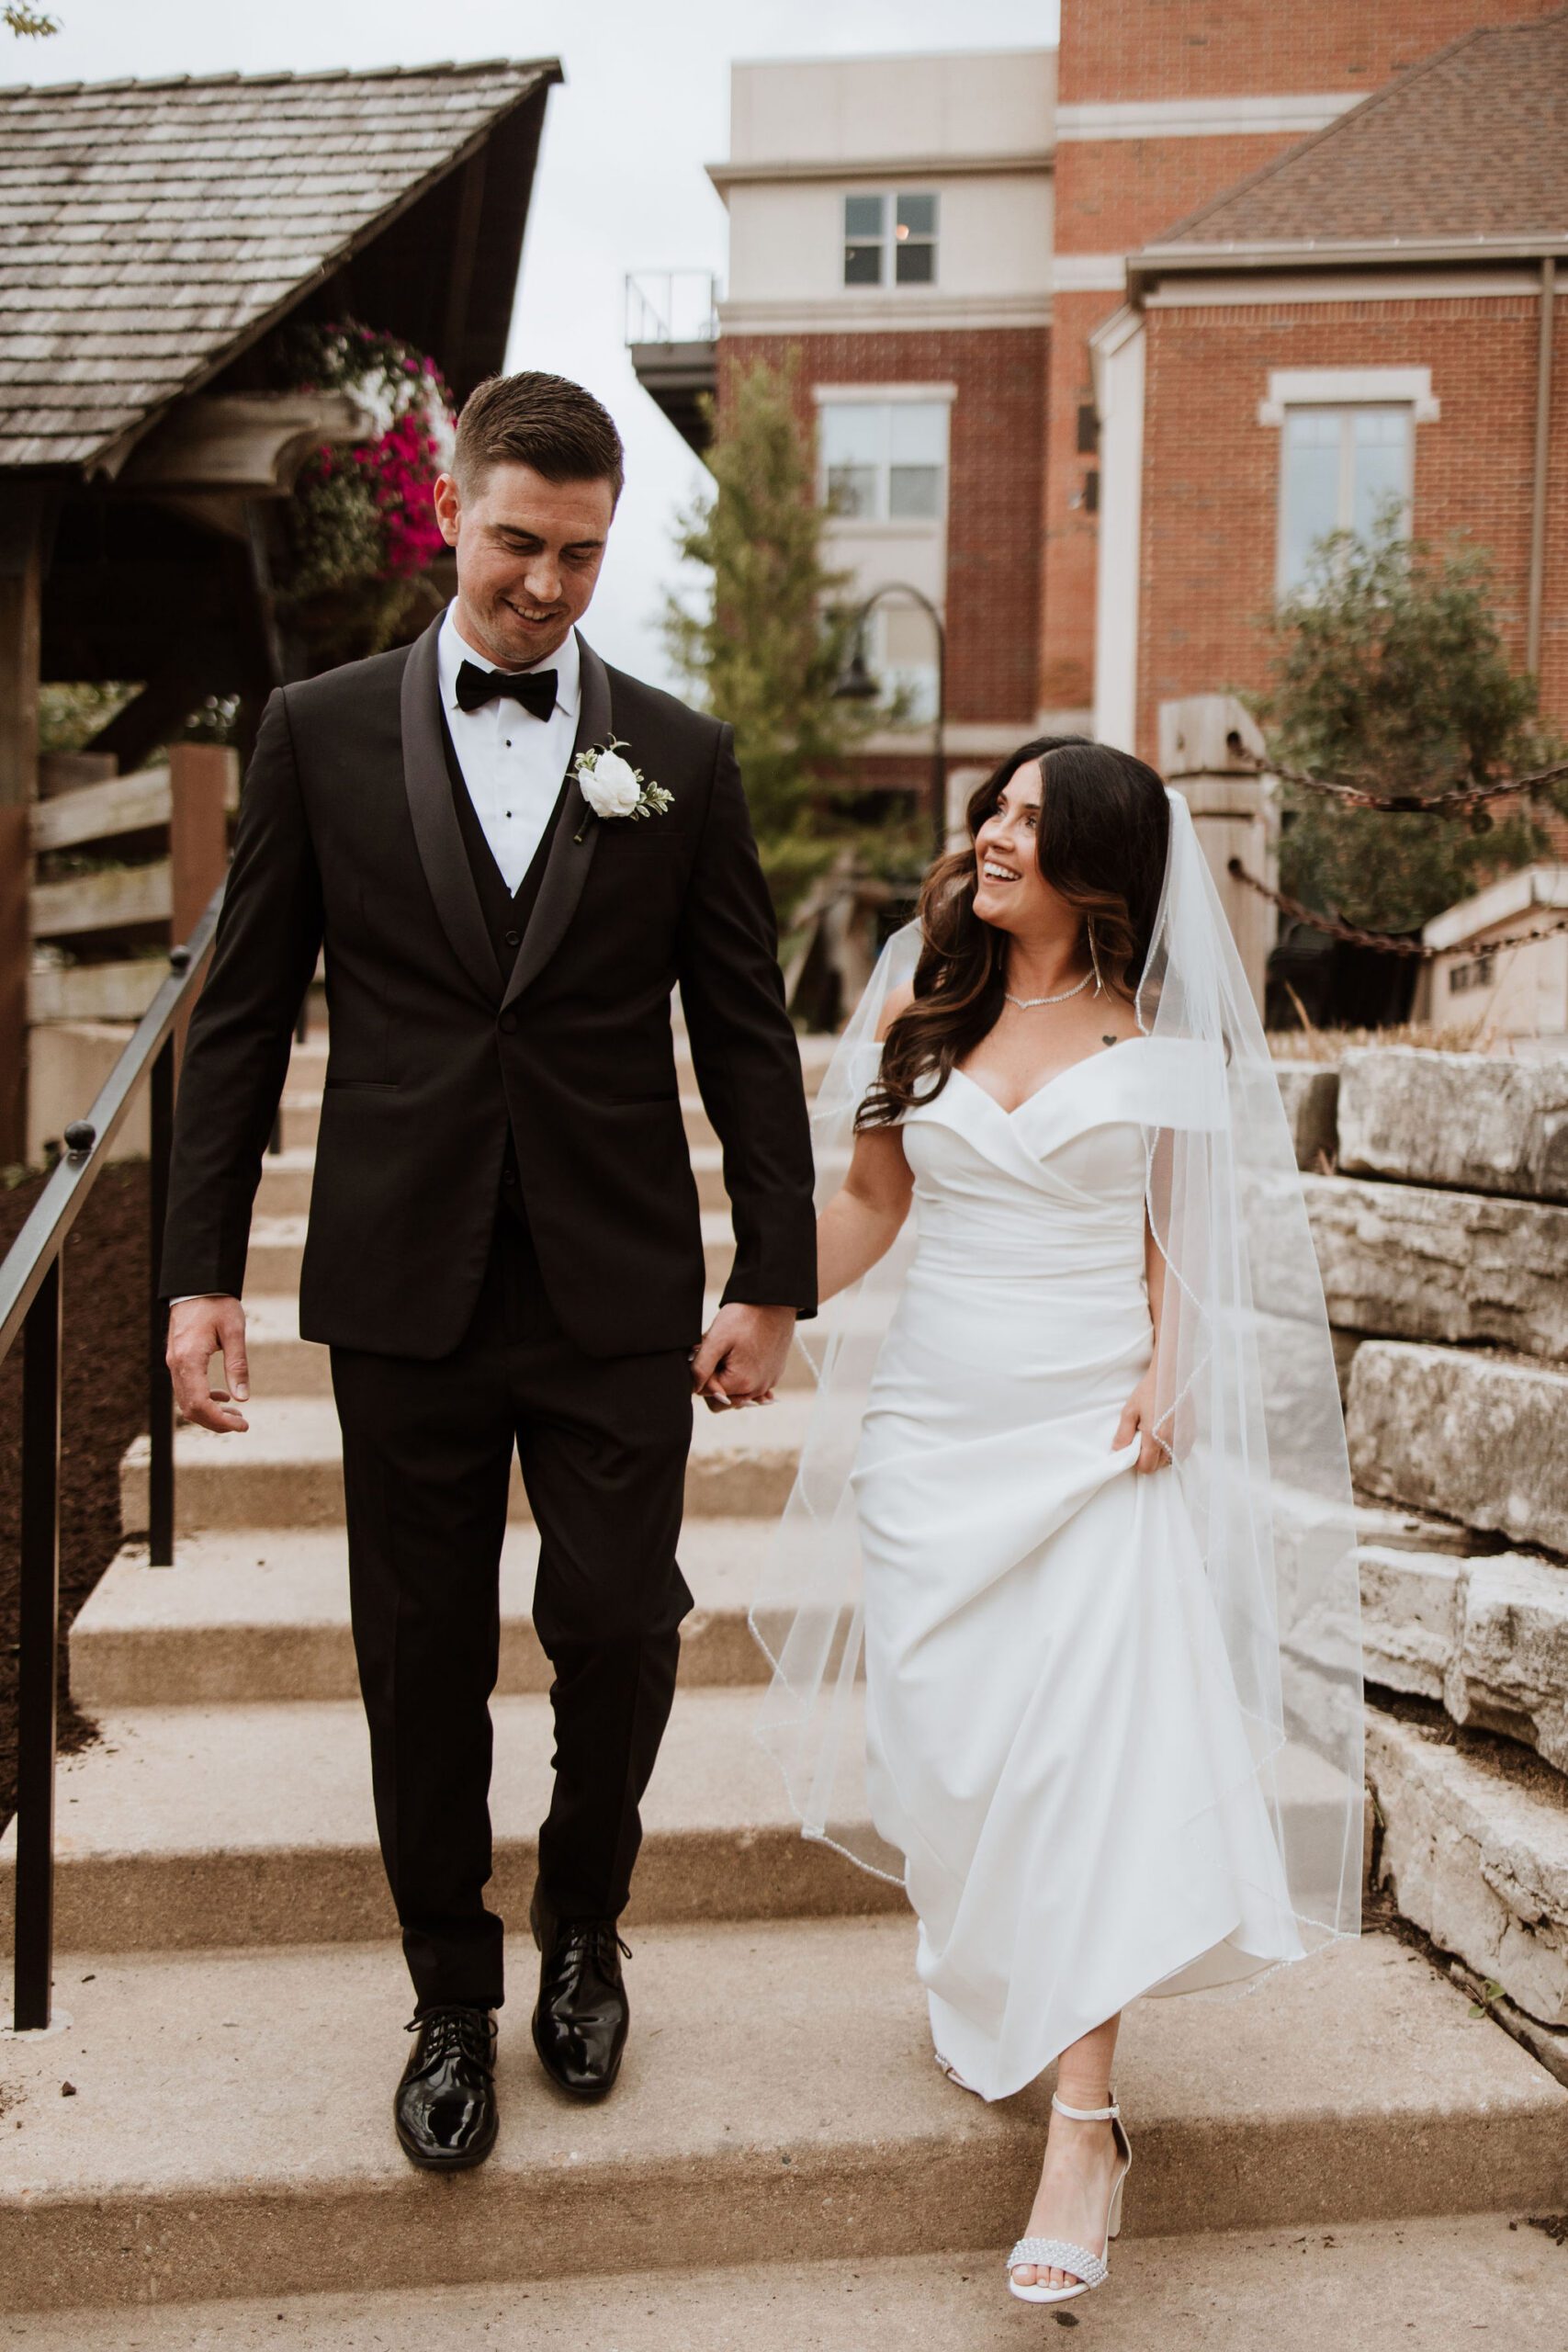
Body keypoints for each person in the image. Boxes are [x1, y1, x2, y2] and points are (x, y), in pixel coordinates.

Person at [160, 371, 817, 2170]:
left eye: (582, 554)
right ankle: (449, 1988)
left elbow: (743, 1027)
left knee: (619, 1617)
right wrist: (196, 1267)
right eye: (519, 542)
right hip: (402, 1278)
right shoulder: (318, 729)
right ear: (456, 512)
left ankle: (584, 1926)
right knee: (419, 1651)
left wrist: (773, 1267)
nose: (545, 583)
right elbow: (235, 1025)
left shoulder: (678, 757)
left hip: (612, 1278)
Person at [752, 738, 1364, 2308]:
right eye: (994, 809)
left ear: (1101, 861)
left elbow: (1183, 1244)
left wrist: (1174, 1377)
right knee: (962, 1763)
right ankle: (999, 1987)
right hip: (933, 1444)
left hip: (1097, 1440)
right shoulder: (921, 1005)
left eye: (1032, 817)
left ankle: (1084, 2130)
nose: (995, 832)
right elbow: (876, 1205)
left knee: (1091, 1759)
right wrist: (761, 1305)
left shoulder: (1160, 1039)